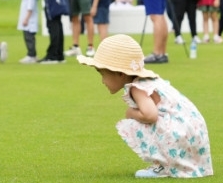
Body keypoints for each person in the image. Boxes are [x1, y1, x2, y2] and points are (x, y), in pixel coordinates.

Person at [76, 35, 213, 178]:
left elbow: (150, 115)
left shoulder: (137, 88)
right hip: (192, 132)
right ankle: (180, 165)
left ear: (121, 73)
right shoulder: (149, 81)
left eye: (103, 74)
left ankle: (163, 167)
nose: (102, 81)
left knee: (133, 123)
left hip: (181, 133)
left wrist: (131, 113)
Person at [17, 0, 39, 64]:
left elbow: (30, 8)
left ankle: (32, 55)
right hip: (27, 20)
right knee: (27, 37)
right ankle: (31, 54)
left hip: (29, 21)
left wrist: (26, 19)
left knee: (29, 38)